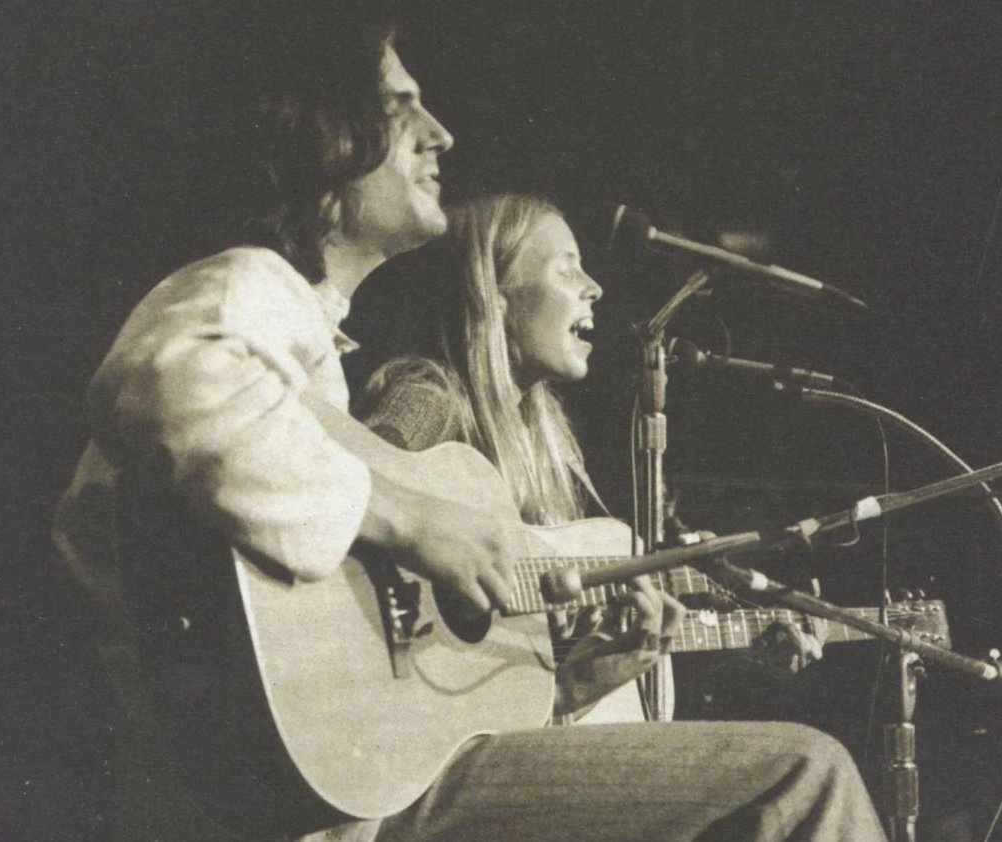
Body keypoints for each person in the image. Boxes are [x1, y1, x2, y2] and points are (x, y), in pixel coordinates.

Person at [52, 4, 885, 839]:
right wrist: (414, 519)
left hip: (353, 795)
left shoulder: (314, 359)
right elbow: (165, 386)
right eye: (398, 105)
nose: (439, 132)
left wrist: (572, 684)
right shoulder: (251, 287)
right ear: (324, 135)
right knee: (801, 778)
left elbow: (404, 670)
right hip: (303, 804)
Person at [356, 194, 883, 841]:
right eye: (566, 268)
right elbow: (346, 492)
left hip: (482, 756)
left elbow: (530, 697)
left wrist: (701, 660)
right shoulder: (427, 395)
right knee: (808, 769)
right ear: (490, 292)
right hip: (404, 768)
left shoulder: (541, 450)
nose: (596, 287)